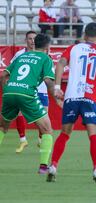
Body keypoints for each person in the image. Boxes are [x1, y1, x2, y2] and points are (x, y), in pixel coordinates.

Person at [47, 22, 96, 183]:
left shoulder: (74, 48)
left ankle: (53, 166)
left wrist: (57, 87)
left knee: (65, 134)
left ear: (84, 36)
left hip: (71, 97)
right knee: (93, 135)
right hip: (90, 98)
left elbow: (60, 64)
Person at [0, 34, 57, 174]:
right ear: (47, 47)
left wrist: (6, 91)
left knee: (2, 127)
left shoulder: (21, 56)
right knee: (47, 130)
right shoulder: (46, 58)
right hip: (27, 94)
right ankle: (43, 167)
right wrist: (56, 93)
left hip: (9, 92)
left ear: (34, 44)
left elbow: (3, 75)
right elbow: (49, 81)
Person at [9, 31, 36, 153]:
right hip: (23, 88)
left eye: (34, 38)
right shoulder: (19, 54)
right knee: (19, 112)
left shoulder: (42, 53)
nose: (32, 41)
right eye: (29, 38)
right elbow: (11, 69)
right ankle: (23, 140)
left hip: (40, 89)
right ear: (26, 40)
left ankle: (42, 140)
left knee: (42, 117)